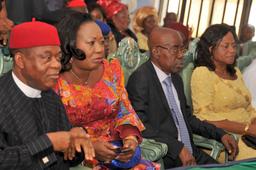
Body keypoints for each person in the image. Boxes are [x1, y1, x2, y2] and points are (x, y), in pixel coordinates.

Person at [126, 26, 238, 169]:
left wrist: (220, 134)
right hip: (167, 156)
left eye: (182, 49)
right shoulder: (141, 78)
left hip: (191, 151)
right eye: (175, 49)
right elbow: (140, 126)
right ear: (156, 51)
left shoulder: (175, 78)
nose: (181, 55)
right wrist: (177, 148)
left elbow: (188, 118)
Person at [0, 20, 95, 169]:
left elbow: (69, 159)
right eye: (47, 58)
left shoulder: (51, 97)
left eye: (58, 57)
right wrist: (48, 142)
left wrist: (77, 139)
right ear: (20, 60)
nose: (57, 65)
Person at [55, 12, 145, 168]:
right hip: (76, 156)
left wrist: (130, 140)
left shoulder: (111, 71)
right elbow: (53, 133)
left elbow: (125, 110)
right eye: (91, 43)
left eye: (102, 42)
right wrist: (89, 148)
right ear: (70, 44)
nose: (100, 49)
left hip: (115, 149)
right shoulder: (54, 81)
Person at [191, 24, 256, 160]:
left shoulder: (236, 72)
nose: (232, 50)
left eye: (234, 45)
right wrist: (246, 129)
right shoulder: (202, 73)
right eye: (226, 46)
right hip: (227, 139)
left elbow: (248, 107)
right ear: (210, 49)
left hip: (249, 132)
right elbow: (203, 116)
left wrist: (253, 122)